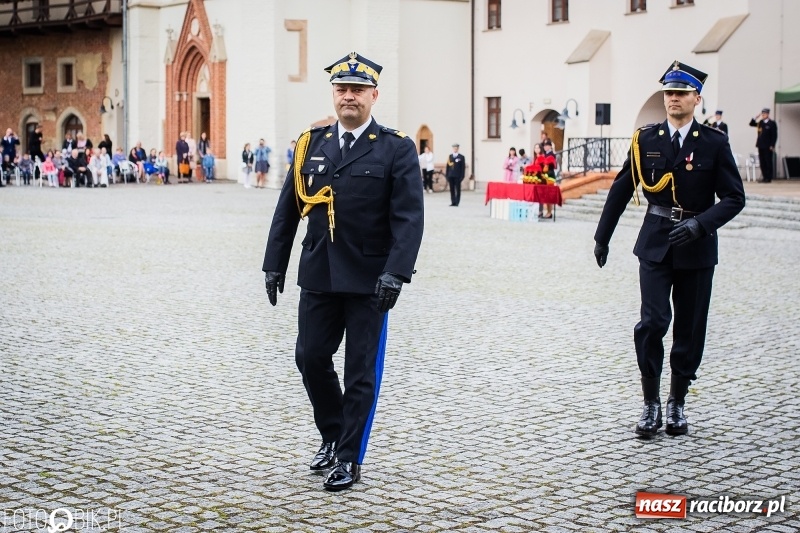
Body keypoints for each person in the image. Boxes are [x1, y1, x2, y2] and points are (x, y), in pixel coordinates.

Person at [262, 51, 424, 492]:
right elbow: (288, 209)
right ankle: (332, 435)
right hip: (318, 272)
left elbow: (409, 219)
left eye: (357, 90)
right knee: (310, 357)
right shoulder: (311, 144)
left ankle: (349, 458)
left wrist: (396, 274)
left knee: (360, 371)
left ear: (374, 95)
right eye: (341, 89)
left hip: (371, 280)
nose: (348, 97)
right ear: (333, 94)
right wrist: (274, 263)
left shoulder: (396, 148)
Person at [593, 60, 745, 438]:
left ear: (697, 98)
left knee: (690, 329)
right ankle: (651, 402)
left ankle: (677, 401)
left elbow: (733, 197)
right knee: (654, 321)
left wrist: (700, 224)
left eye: (680, 93)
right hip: (656, 241)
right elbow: (622, 188)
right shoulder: (646, 139)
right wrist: (602, 236)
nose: (673, 99)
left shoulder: (713, 142)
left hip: (696, 245)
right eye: (668, 93)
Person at [749, 108, 778, 183]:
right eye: (762, 114)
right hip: (760, 145)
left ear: (768, 114)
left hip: (768, 146)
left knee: (768, 161)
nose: (763, 115)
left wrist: (772, 145)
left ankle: (769, 178)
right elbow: (751, 124)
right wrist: (755, 117)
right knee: (762, 162)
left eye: (764, 114)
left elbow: (774, 135)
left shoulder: (772, 123)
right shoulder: (760, 123)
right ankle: (764, 177)